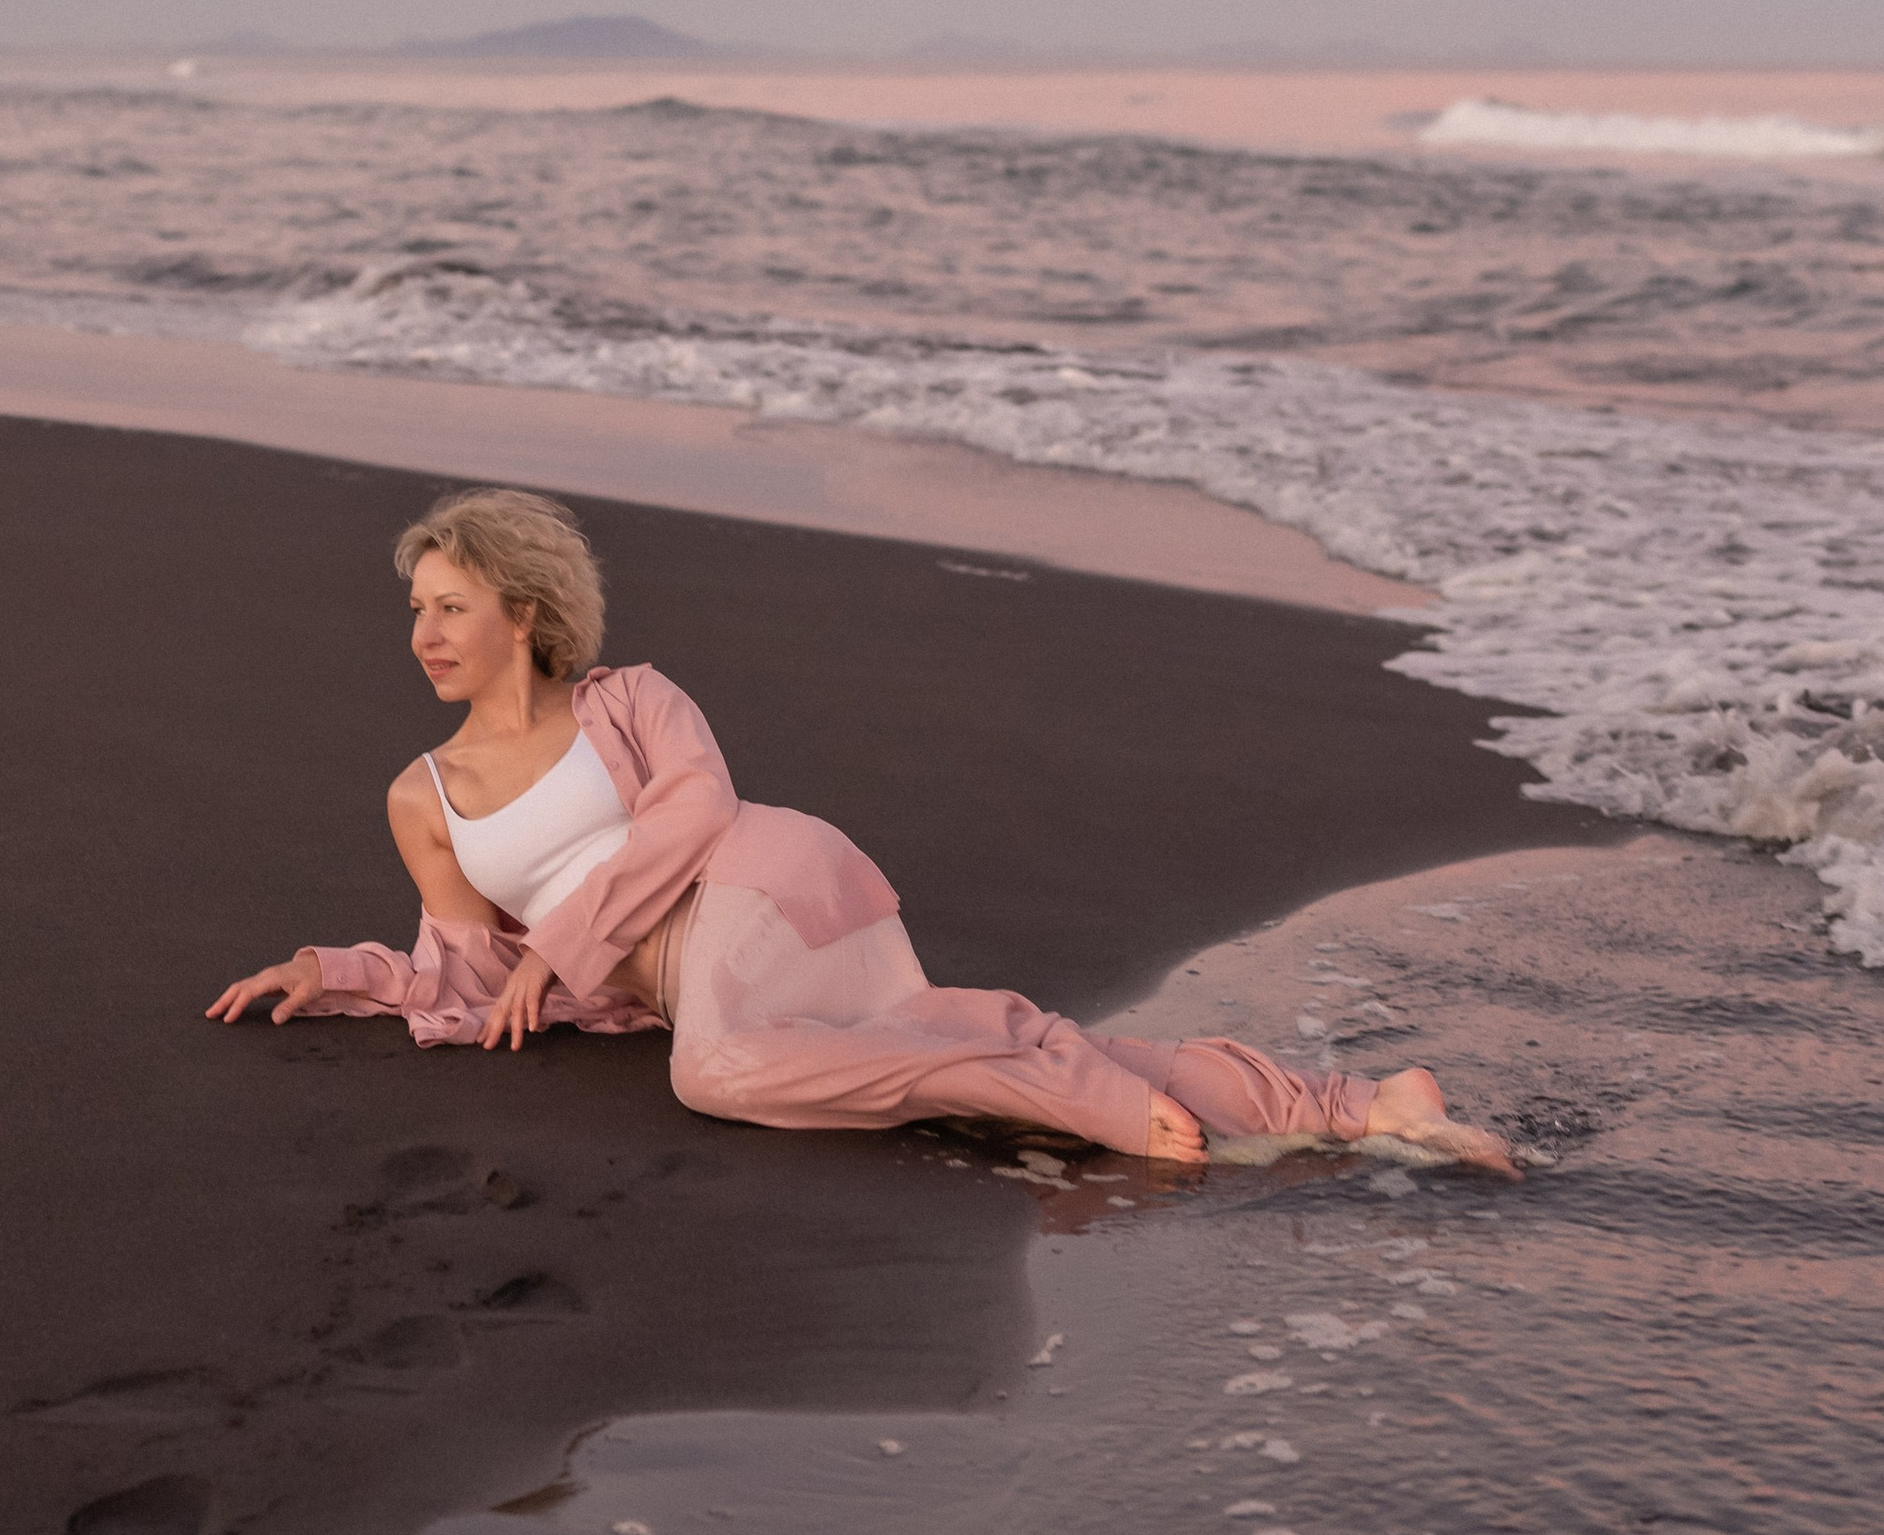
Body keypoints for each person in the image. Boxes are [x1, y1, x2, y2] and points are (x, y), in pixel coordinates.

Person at [207, 487, 1516, 1172]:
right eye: (417, 608)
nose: (423, 633)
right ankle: (1355, 1101)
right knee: (926, 1027)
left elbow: (701, 813)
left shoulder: (632, 700)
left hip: (766, 886)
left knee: (714, 1076)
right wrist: (336, 973)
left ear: (526, 611)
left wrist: (560, 945)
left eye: (450, 604)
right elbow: (467, 976)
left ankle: (1055, 1082)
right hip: (698, 977)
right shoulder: (419, 795)